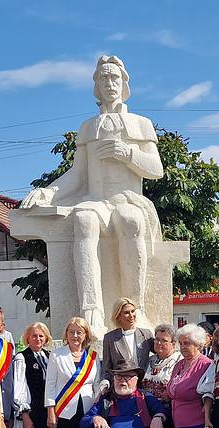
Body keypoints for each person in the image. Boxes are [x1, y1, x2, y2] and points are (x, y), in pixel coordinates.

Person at [20, 55, 165, 334]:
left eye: (114, 78)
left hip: (128, 198)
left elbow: (155, 169)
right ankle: (92, 311)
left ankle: (136, 310)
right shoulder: (88, 127)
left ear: (124, 84)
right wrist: (48, 192)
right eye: (104, 78)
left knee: (130, 220)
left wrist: (128, 153)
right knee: (83, 219)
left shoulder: (141, 123)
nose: (109, 83)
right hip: (97, 199)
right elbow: (77, 175)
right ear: (96, 86)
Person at [102, 297, 153, 384]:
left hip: (144, 386)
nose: (131, 315)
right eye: (126, 313)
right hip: (122, 386)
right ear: (118, 316)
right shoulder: (109, 338)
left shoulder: (146, 334)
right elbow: (106, 368)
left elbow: (160, 354)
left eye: (133, 311)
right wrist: (105, 383)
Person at [141, 324, 182, 403]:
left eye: (164, 340)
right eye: (157, 339)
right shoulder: (149, 360)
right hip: (145, 406)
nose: (159, 343)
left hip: (168, 408)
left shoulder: (179, 361)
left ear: (173, 343)